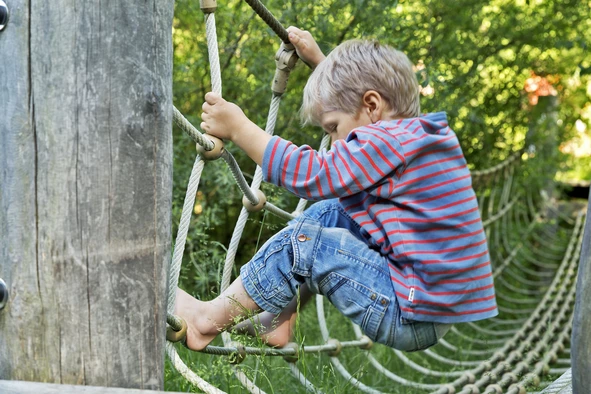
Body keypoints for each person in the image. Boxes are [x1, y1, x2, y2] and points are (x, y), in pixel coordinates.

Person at [174, 26, 498, 352]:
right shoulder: (414, 137)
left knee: (308, 242)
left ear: (373, 104)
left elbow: (316, 173)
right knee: (329, 214)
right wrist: (321, 62)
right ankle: (277, 318)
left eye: (334, 128)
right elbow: (357, 101)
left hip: (407, 314)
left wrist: (239, 127)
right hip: (426, 310)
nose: (333, 141)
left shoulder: (388, 141)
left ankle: (206, 321)